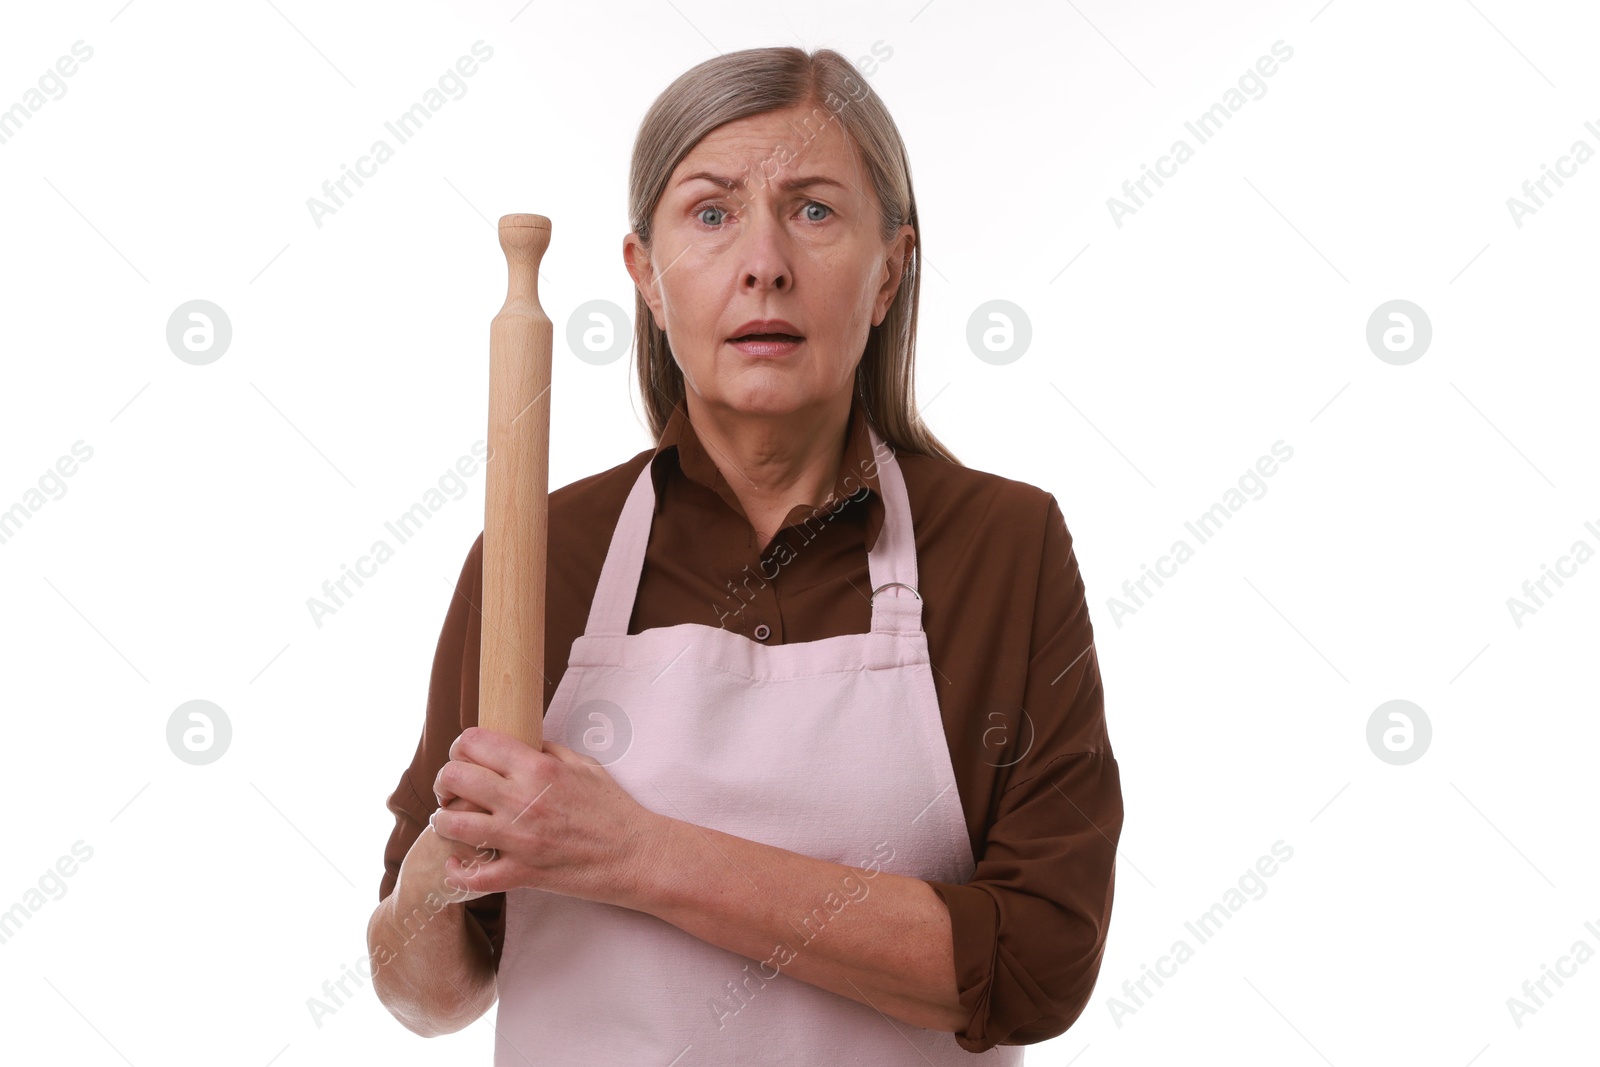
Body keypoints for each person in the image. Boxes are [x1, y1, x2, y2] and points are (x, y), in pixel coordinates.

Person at [367, 44, 1122, 1063]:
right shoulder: (538, 557)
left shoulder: (1000, 548)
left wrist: (637, 853)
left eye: (813, 209)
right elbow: (428, 992)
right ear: (647, 276)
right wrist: (437, 874)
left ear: (890, 267)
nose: (763, 261)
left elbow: (1036, 966)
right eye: (711, 213)